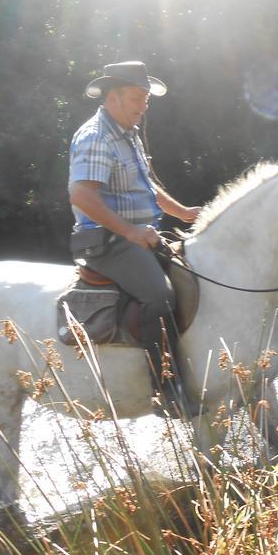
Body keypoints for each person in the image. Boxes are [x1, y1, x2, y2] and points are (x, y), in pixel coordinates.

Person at [67, 61, 201, 416]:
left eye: (145, 99)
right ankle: (166, 392)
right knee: (159, 294)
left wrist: (183, 212)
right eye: (135, 98)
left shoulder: (128, 133)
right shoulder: (96, 136)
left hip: (139, 236)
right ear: (112, 99)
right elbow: (81, 195)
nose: (143, 106)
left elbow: (147, 186)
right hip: (105, 242)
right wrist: (130, 231)